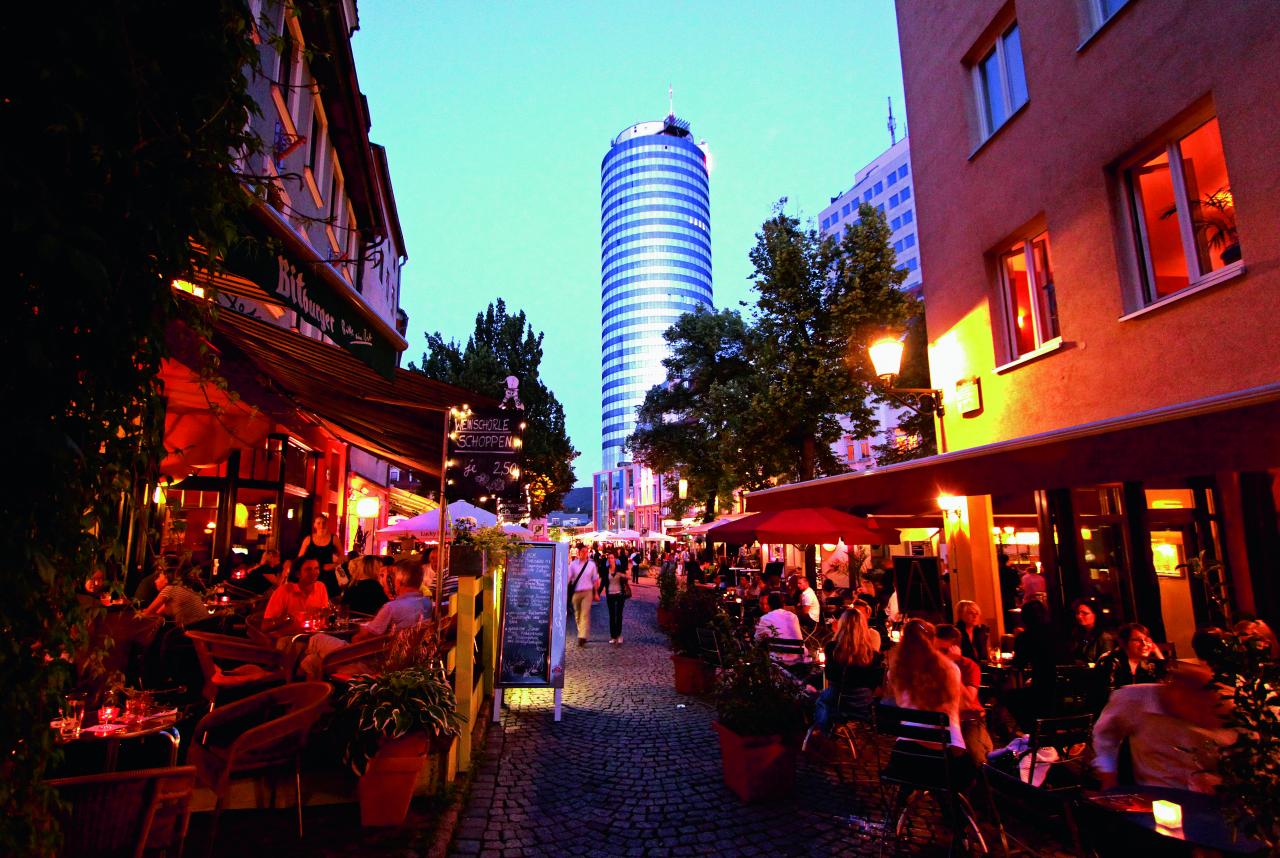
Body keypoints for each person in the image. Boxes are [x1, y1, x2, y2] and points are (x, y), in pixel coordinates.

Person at [1092, 662, 1234, 791]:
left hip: (1205, 798)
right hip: (1156, 794)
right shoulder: (1134, 699)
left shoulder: (1215, 707)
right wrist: (1108, 776)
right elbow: (1105, 736)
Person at [300, 557, 432, 680]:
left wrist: (357, 636)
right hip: (399, 661)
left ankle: (288, 682)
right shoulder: (427, 604)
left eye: (391, 576)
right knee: (312, 661)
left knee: (315, 640)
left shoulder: (392, 608)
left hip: (370, 662)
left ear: (399, 580)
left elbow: (362, 637)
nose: (388, 580)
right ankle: (316, 698)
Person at [885, 619, 972, 785]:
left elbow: (900, 704)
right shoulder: (950, 670)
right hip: (945, 758)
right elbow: (963, 704)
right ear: (932, 640)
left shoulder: (895, 673)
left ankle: (904, 801)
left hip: (906, 756)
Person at [813, 609, 884, 734]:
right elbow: (875, 685)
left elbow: (829, 676)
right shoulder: (873, 655)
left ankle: (822, 732)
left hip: (838, 702)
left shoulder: (832, 649)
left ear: (842, 625)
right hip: (863, 705)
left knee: (818, 699)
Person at [935, 624, 994, 766]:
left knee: (975, 759)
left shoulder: (968, 666)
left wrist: (950, 667)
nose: (938, 655)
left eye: (943, 650)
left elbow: (968, 700)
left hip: (968, 718)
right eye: (934, 650)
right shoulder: (930, 665)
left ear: (955, 649)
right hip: (940, 720)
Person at [262, 556, 330, 639]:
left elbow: (324, 617)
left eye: (316, 568)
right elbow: (265, 626)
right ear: (298, 574)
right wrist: (288, 618)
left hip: (315, 637)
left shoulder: (321, 587)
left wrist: (325, 614)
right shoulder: (284, 591)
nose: (314, 572)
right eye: (308, 569)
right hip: (289, 640)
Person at [1095, 622, 1166, 694]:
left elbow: (1162, 686)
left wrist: (1157, 652)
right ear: (1123, 642)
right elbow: (1108, 696)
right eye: (1138, 640)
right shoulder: (1109, 661)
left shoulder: (1146, 664)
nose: (1144, 644)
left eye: (1147, 640)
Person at [142, 564, 211, 628]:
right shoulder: (179, 589)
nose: (155, 581)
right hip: (203, 628)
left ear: (166, 579)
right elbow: (156, 612)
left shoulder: (169, 589)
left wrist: (144, 613)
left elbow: (147, 614)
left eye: (159, 577)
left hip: (193, 633)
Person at [297, 514, 341, 600]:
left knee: (329, 599)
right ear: (314, 525)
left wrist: (334, 565)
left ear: (327, 524)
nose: (321, 525)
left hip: (328, 575)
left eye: (324, 523)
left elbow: (342, 556)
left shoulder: (334, 538)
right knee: (312, 598)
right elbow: (300, 558)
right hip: (311, 573)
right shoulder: (308, 539)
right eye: (319, 523)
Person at [755, 592, 804, 664]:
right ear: (783, 604)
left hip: (778, 658)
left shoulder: (765, 619)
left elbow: (757, 638)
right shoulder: (793, 616)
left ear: (769, 604)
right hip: (798, 656)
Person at [567, 544, 600, 647]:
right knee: (577, 615)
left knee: (584, 614)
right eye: (583, 551)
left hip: (587, 592)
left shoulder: (591, 565)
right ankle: (581, 631)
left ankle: (582, 637)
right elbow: (568, 578)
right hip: (576, 592)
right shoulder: (573, 564)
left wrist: (596, 593)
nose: (585, 553)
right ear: (579, 552)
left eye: (586, 552)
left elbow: (595, 579)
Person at [1066, 598, 1116, 665]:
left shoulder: (1105, 637)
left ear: (1095, 615)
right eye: (1078, 613)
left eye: (1085, 613)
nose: (1079, 616)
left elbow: (1107, 663)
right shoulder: (1077, 634)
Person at [603, 550, 632, 645]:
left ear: (615, 559)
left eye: (612, 558)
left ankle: (619, 635)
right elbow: (603, 582)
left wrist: (622, 575)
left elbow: (628, 577)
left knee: (619, 615)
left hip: (619, 594)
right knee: (612, 616)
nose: (610, 560)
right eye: (609, 558)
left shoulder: (620, 568)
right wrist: (596, 593)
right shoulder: (605, 569)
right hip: (610, 595)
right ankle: (613, 636)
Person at [954, 600, 991, 665]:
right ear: (961, 615)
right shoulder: (955, 633)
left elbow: (985, 656)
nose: (975, 616)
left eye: (977, 613)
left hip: (981, 669)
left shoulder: (981, 631)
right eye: (970, 613)